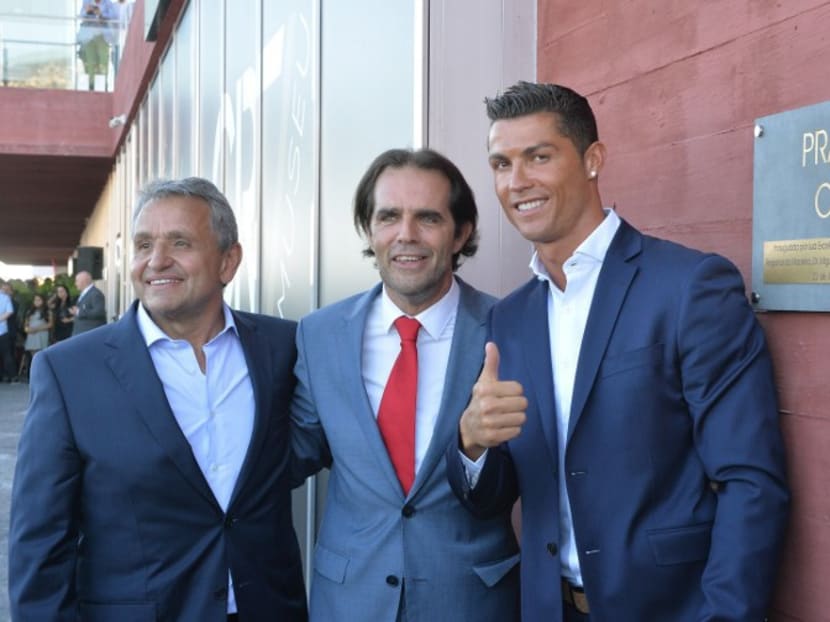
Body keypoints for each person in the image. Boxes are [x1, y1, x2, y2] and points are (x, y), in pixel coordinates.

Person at [446, 82, 790, 622]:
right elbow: (493, 499)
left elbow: (751, 481)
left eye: (539, 156)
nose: (517, 182)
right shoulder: (508, 319)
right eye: (501, 163)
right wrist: (472, 442)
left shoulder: (689, 287)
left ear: (592, 160)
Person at [9, 177, 308, 621]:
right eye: (143, 244)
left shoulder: (284, 348)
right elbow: (39, 543)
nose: (156, 261)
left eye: (180, 243)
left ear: (229, 261)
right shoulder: (69, 371)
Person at [291, 148, 520, 620]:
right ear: (369, 230)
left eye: (428, 218)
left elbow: (528, 475)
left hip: (471, 599)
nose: (406, 235)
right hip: (350, 599)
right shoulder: (319, 334)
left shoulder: (512, 328)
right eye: (389, 216)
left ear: (461, 233)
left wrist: (474, 450)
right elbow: (295, 452)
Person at [77, 0, 115, 90]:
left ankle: (103, 85)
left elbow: (113, 17)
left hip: (103, 36)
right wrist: (87, 11)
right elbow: (81, 15)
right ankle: (91, 85)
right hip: (89, 37)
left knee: (103, 61)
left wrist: (101, 14)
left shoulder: (108, 3)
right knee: (90, 61)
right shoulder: (86, 2)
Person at [20, 293, 53, 380]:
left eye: (39, 300)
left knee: (42, 355)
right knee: (33, 356)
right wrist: (28, 329)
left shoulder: (47, 311)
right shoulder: (29, 312)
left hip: (42, 334)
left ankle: (43, 375)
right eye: (35, 300)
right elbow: (26, 326)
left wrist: (37, 329)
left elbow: (50, 324)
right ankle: (34, 375)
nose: (37, 302)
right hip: (32, 335)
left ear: (43, 301)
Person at [70, 269, 106, 335]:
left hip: (89, 334)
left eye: (77, 281)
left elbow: (99, 312)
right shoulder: (85, 293)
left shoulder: (95, 293)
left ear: (84, 281)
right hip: (82, 333)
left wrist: (79, 312)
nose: (75, 284)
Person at [0, 280, 17, 382]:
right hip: (3, 330)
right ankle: (13, 376)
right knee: (6, 354)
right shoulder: (5, 298)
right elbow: (10, 311)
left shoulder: (5, 297)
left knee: (6, 355)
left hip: (3, 330)